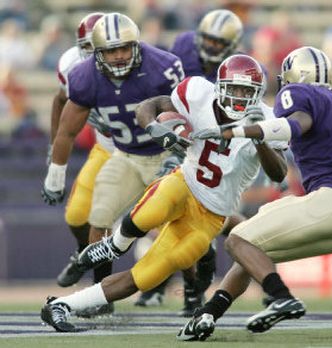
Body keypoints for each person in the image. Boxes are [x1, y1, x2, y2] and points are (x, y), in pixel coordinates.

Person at [39, 54, 288, 333]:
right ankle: (115, 245)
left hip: (212, 215)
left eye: (247, 91)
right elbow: (151, 105)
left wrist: (260, 137)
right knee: (155, 207)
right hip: (185, 182)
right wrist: (153, 126)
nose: (240, 97)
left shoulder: (267, 120)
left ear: (258, 95)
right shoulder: (198, 93)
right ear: (219, 86)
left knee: (146, 275)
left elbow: (279, 172)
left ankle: (60, 306)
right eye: (234, 88)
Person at [177, 46, 332, 341]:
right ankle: (208, 313)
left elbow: (294, 126)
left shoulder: (299, 94)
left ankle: (281, 297)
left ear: (296, 76)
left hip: (329, 201)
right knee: (253, 250)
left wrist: (234, 132)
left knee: (237, 239)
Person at [41, 12, 185, 314]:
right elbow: (67, 126)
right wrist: (54, 172)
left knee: (185, 226)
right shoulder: (80, 72)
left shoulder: (161, 67)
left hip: (164, 154)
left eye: (124, 48)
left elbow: (186, 114)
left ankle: (195, 291)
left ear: (137, 45)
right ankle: (97, 289)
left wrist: (178, 150)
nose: (119, 57)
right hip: (122, 152)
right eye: (110, 50)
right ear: (95, 51)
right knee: (96, 215)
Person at [136, 8, 245, 315]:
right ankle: (184, 290)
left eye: (217, 42)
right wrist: (167, 121)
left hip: (215, 147)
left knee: (213, 216)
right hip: (180, 136)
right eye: (207, 40)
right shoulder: (183, 47)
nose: (210, 47)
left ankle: (251, 252)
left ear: (232, 44)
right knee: (173, 211)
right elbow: (166, 88)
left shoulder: (235, 70)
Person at [45, 12, 118, 317]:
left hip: (145, 151)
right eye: (88, 47)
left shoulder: (137, 67)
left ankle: (194, 288)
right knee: (79, 216)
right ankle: (98, 287)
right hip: (106, 147)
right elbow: (61, 100)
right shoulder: (73, 66)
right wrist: (55, 153)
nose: (95, 53)